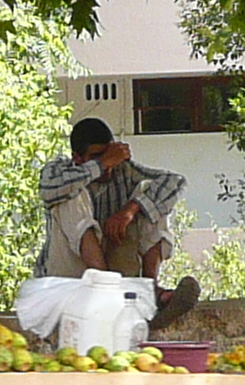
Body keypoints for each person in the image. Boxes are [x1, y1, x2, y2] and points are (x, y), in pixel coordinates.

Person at [39, 117, 201, 326]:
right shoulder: (59, 169)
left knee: (149, 191)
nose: (108, 166)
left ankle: (149, 291)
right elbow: (48, 190)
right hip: (69, 280)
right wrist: (101, 164)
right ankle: (108, 292)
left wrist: (130, 210)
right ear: (77, 158)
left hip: (117, 271)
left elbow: (175, 182)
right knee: (71, 194)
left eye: (109, 155)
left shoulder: (122, 170)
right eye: (96, 157)